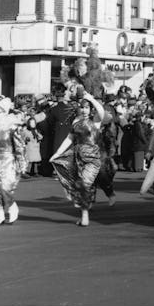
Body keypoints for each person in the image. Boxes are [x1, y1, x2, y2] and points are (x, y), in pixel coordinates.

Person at [50, 92, 113, 226]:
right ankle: (85, 211)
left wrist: (91, 99)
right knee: (80, 186)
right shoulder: (76, 122)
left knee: (85, 184)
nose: (84, 110)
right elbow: (69, 139)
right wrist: (57, 153)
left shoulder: (95, 121)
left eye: (87, 108)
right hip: (78, 159)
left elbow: (101, 112)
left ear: (91, 110)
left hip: (92, 159)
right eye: (82, 107)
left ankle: (86, 215)